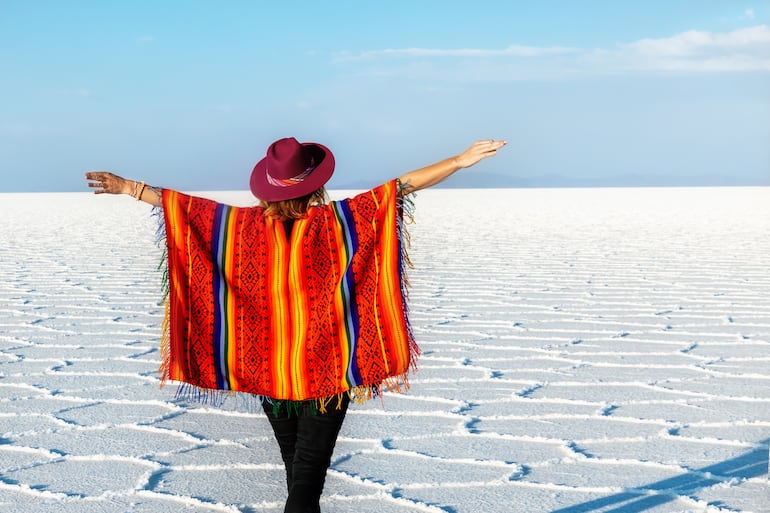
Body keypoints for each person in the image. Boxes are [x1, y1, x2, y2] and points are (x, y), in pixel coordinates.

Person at [85, 137, 506, 513]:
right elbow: (401, 186)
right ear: (316, 184)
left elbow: (185, 208)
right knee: (305, 482)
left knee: (298, 473)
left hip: (270, 372)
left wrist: (128, 188)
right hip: (329, 370)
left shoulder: (239, 228)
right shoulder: (340, 223)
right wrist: (458, 160)